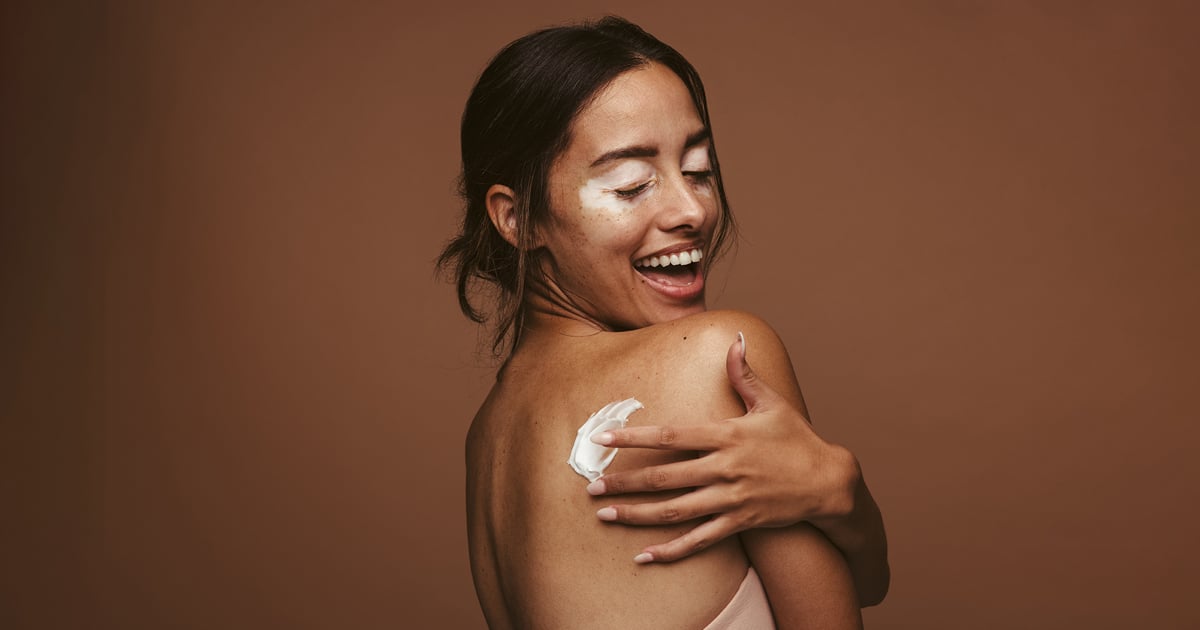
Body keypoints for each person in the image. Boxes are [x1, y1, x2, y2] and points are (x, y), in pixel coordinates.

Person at [440, 16, 887, 628]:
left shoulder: (488, 439)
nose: (691, 209)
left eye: (699, 171)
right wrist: (844, 493)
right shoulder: (713, 356)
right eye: (631, 185)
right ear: (518, 219)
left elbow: (864, 579)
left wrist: (842, 499)